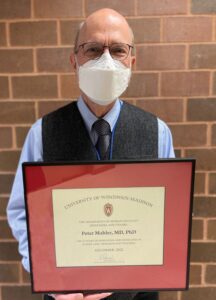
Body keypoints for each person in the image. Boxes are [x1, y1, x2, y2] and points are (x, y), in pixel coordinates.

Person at [7, 8, 175, 300]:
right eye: (93, 49)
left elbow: (169, 216)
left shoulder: (158, 132)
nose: (106, 60)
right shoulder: (42, 133)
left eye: (118, 50)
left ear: (132, 61)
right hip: (65, 293)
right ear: (74, 60)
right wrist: (46, 273)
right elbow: (22, 212)